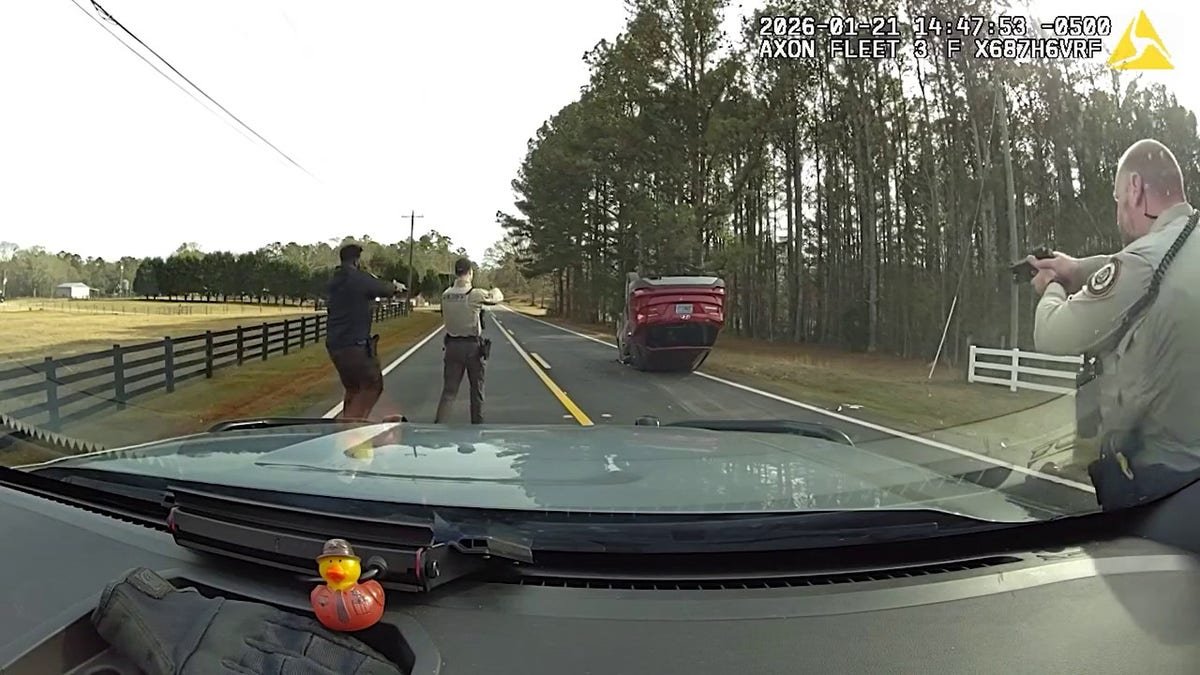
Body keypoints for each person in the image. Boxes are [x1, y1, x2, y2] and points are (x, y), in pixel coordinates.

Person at [1027, 138, 1200, 509]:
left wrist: (1053, 285)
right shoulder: (1184, 241)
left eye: (1118, 197)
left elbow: (1052, 334)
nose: (1119, 210)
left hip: (1161, 486)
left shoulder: (1143, 261)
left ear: (1135, 189)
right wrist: (1076, 269)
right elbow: (1153, 266)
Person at [325, 243, 404, 421]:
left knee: (353, 388)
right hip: (354, 343)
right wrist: (395, 287)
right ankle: (351, 428)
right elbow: (383, 288)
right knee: (372, 385)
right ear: (356, 260)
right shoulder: (358, 279)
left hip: (335, 344)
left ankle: (347, 429)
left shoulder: (335, 280)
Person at [434, 257, 503, 424]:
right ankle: (476, 427)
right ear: (470, 273)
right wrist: (496, 289)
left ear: (455, 273)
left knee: (449, 392)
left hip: (451, 346)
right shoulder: (474, 294)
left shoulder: (446, 294)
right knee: (476, 391)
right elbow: (496, 298)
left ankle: (438, 429)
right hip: (472, 347)